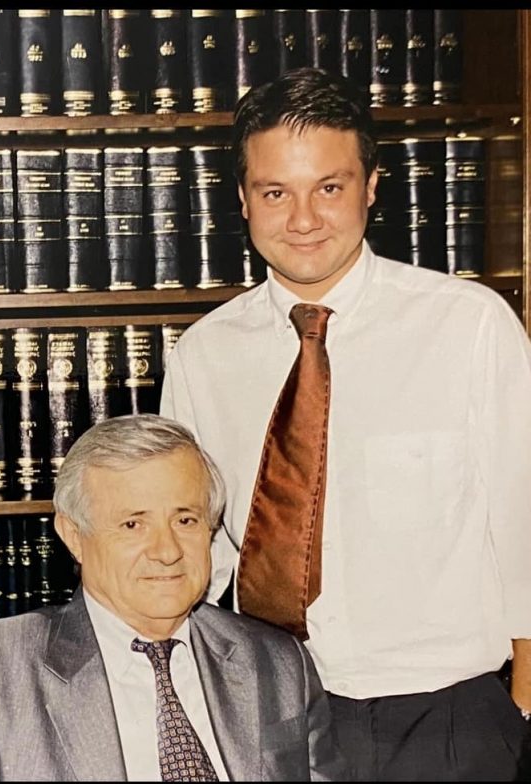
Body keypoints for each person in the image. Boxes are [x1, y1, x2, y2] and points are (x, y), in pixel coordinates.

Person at [161, 66, 531, 780]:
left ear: (370, 187)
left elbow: (525, 520)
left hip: (448, 717)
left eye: (329, 188)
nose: (303, 220)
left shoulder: (470, 326)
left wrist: (522, 706)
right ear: (242, 199)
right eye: (276, 192)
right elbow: (197, 548)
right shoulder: (204, 354)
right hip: (272, 713)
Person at [0, 414, 344, 781]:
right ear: (73, 536)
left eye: (186, 520)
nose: (167, 551)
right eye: (133, 525)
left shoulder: (277, 663)